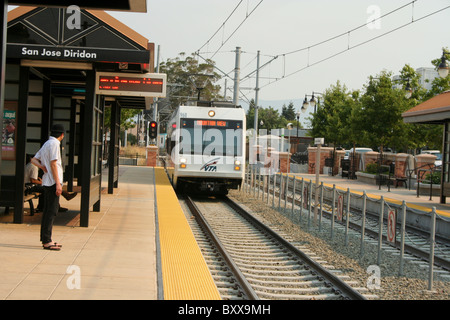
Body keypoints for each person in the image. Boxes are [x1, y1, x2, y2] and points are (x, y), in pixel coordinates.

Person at [31, 124, 67, 250]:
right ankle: (47, 241)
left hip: (47, 181)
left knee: (47, 211)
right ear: (62, 135)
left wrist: (42, 167)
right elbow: (53, 164)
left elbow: (34, 160)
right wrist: (58, 183)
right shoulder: (55, 144)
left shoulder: (47, 143)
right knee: (51, 212)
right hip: (52, 182)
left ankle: (46, 238)